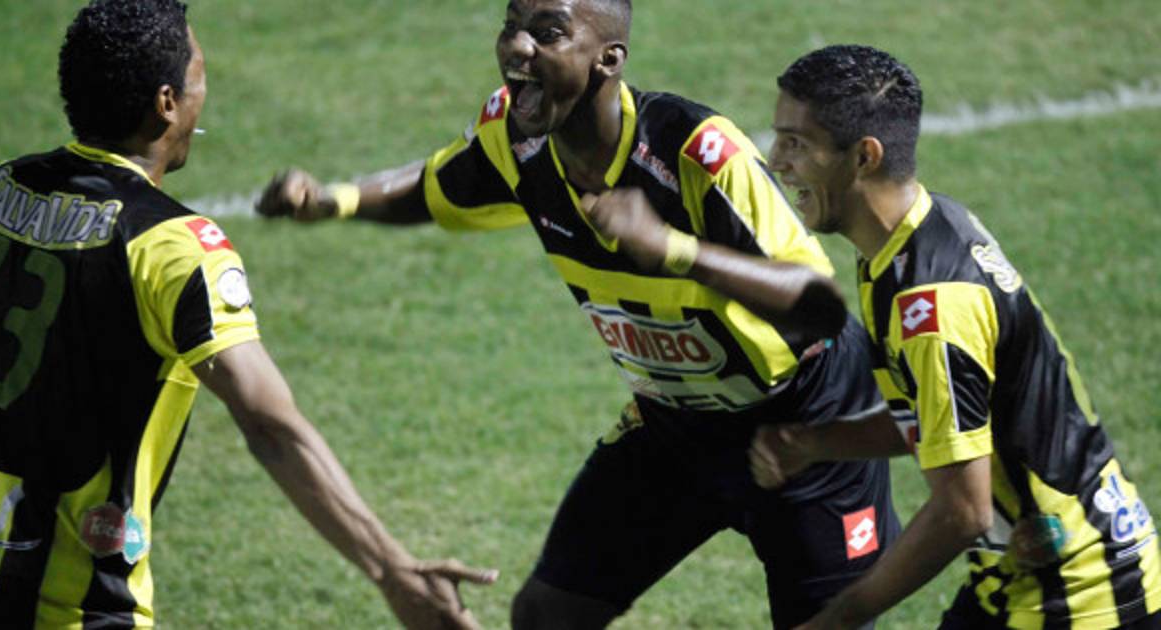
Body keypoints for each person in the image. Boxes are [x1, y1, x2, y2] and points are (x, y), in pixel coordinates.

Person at [258, 1, 901, 627]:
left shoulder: (697, 152)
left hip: (803, 428)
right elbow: (435, 187)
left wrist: (671, 249)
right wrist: (334, 200)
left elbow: (819, 305)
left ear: (608, 59)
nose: (518, 47)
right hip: (673, 428)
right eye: (511, 26)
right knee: (548, 613)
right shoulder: (516, 137)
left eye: (548, 32)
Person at [0, 1, 497, 628]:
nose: (204, 95)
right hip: (71, 609)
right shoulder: (173, 246)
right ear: (167, 103)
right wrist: (391, 569)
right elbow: (271, 425)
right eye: (200, 77)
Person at [752, 44, 1161, 629]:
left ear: (863, 156)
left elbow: (963, 511)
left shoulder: (931, 304)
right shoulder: (921, 233)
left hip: (1073, 600)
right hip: (1034, 575)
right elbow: (948, 418)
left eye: (796, 143)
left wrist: (836, 618)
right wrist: (817, 443)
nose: (777, 161)